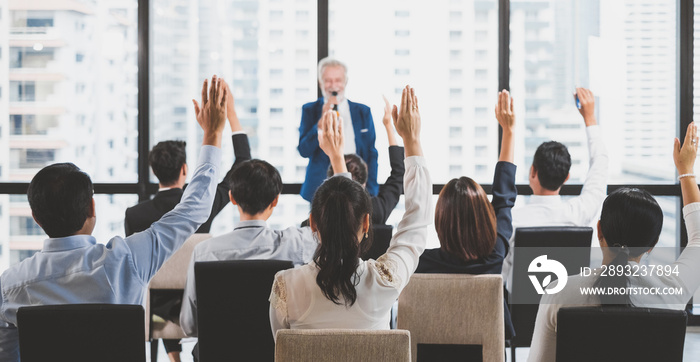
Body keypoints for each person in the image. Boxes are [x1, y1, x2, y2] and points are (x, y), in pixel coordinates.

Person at [0, 75, 228, 361]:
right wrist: (212, 133)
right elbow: (194, 208)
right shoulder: (126, 260)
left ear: (36, 218)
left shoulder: (10, 287)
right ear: (92, 209)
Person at [527, 122, 700, 362]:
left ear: (599, 231)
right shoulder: (674, 290)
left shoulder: (560, 293)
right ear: (653, 244)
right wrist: (686, 170)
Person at [269, 85, 430, 338]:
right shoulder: (385, 282)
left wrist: (336, 157)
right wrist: (412, 140)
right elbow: (417, 224)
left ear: (312, 223)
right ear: (367, 224)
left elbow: (282, 352)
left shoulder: (286, 286)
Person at [124, 80, 248, 362]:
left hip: (156, 313)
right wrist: (230, 115)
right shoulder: (205, 202)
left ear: (155, 172)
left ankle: (172, 355)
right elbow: (242, 163)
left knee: (156, 288)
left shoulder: (134, 214)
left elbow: (137, 273)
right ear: (184, 169)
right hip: (199, 306)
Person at [415, 90, 517, 339]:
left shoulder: (420, 264)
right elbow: (504, 201)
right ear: (486, 219)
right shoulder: (495, 256)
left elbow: (414, 210)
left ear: (440, 221)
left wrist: (411, 137)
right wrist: (509, 131)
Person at [501, 87, 608, 291]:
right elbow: (600, 165)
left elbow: (499, 279)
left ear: (533, 171)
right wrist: (590, 117)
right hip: (567, 318)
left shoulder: (512, 221)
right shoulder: (579, 213)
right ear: (566, 178)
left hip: (519, 322)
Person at [298, 57, 379, 202]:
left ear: (345, 82)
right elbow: (304, 150)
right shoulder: (309, 110)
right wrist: (320, 123)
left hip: (358, 186)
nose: (333, 85)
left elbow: (371, 153)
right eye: (328, 80)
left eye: (338, 80)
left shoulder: (363, 111)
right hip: (319, 189)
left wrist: (371, 189)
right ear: (320, 82)